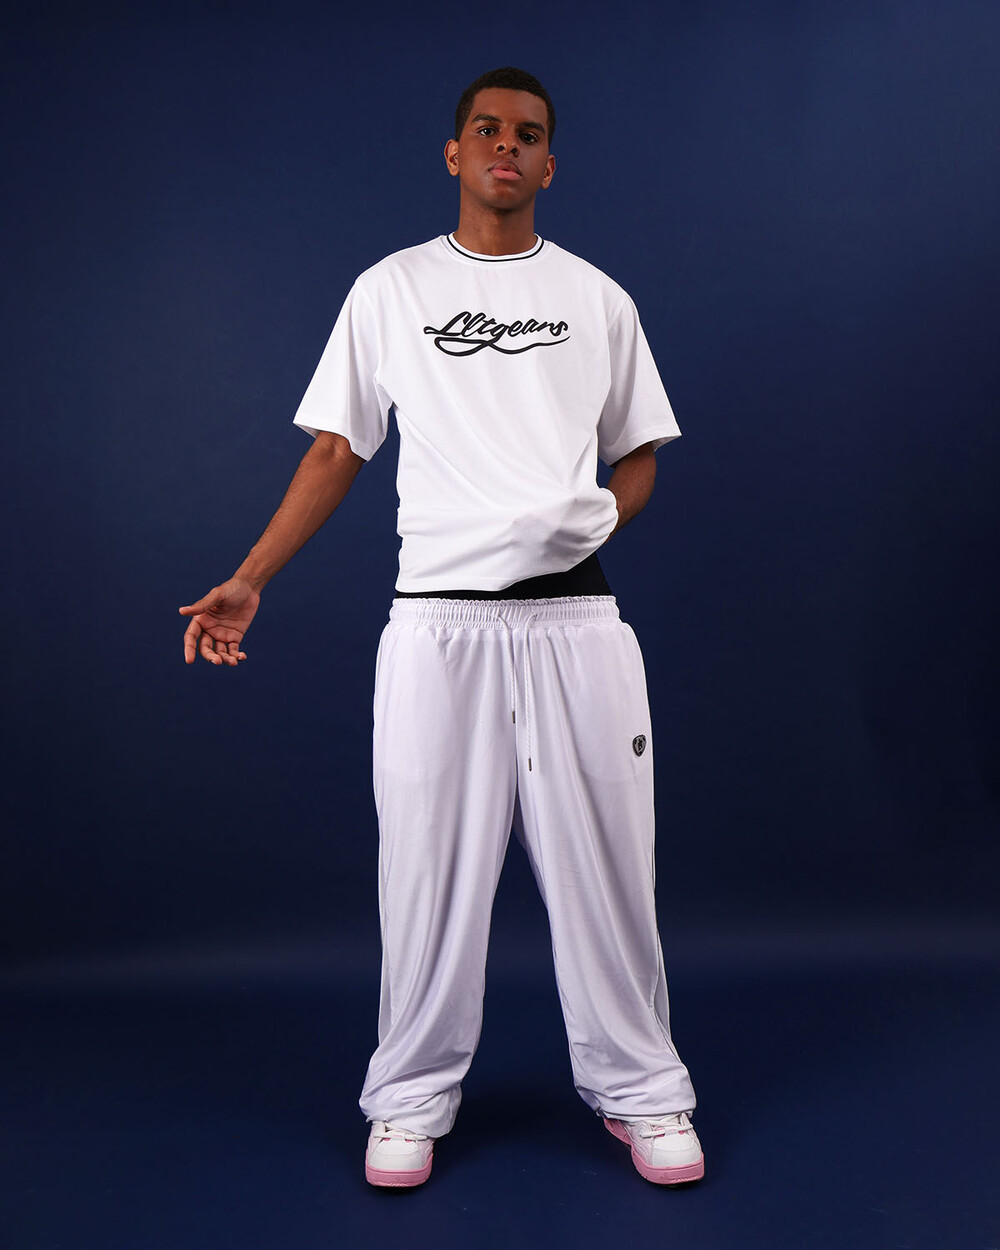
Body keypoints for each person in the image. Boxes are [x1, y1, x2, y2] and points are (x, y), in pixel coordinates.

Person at [179, 66, 703, 1190]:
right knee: (423, 873)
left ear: (550, 162)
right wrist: (250, 576)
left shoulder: (597, 298)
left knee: (612, 869)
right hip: (436, 626)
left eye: (529, 133)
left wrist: (594, 514)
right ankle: (410, 1097)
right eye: (486, 129)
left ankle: (641, 1087)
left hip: (574, 623)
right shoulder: (391, 290)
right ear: (455, 153)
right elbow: (337, 448)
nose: (507, 145)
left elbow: (640, 455)